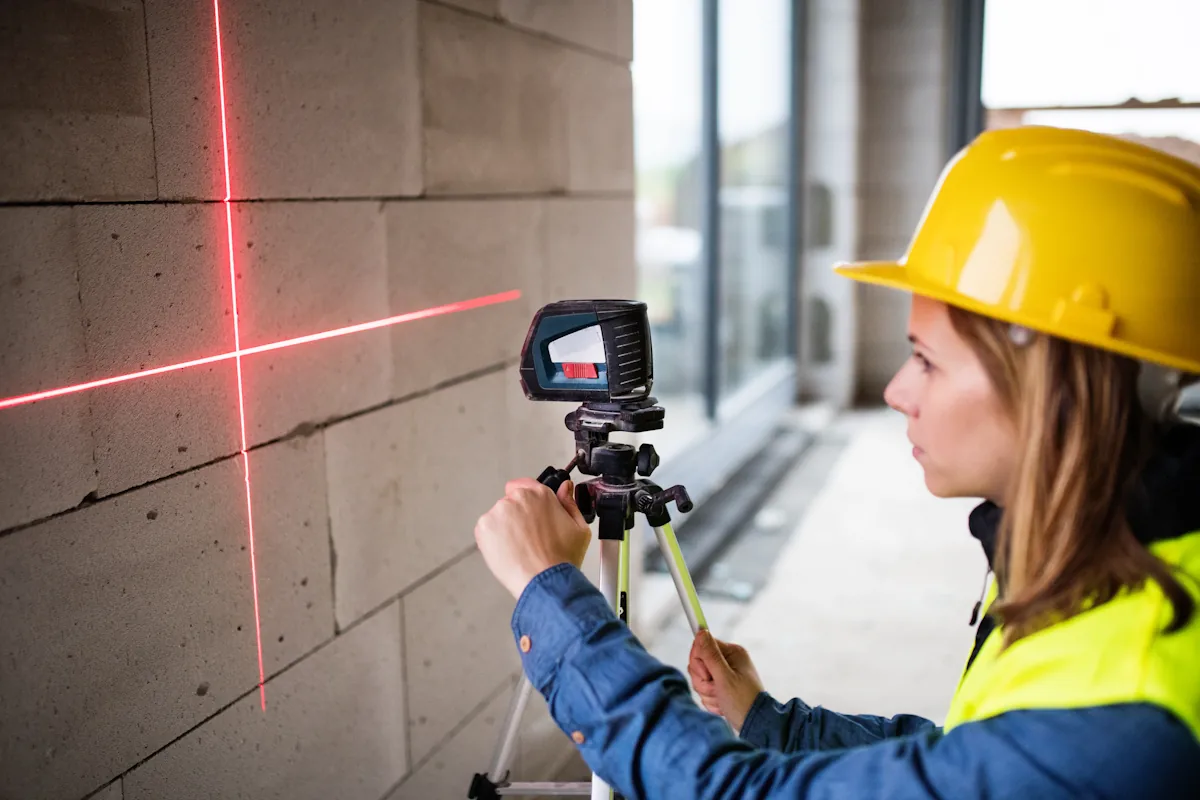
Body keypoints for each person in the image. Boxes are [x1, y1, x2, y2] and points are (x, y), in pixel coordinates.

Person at [473, 126, 1200, 798]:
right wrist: (766, 721)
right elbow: (964, 760)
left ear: (1057, 387)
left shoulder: (1131, 711)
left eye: (927, 360)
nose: (894, 391)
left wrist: (552, 592)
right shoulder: (1123, 563)